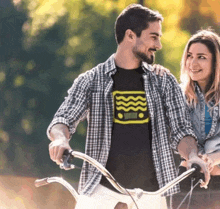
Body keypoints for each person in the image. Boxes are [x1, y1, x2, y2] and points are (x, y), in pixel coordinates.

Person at [47, 4, 209, 209]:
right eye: (153, 36)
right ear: (130, 35)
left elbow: (181, 130)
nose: (158, 45)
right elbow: (63, 118)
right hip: (101, 191)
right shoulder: (92, 80)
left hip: (152, 195)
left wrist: (193, 156)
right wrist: (60, 139)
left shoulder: (163, 81)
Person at [154, 29, 220, 209]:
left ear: (216, 62)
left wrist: (211, 159)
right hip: (186, 180)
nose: (193, 63)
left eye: (201, 57)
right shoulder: (179, 95)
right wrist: (157, 77)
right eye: (189, 56)